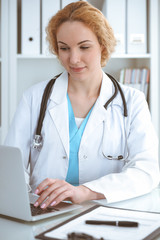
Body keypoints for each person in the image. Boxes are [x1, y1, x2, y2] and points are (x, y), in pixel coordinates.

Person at [4, 1, 159, 209]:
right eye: (64, 48)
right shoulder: (34, 98)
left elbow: (147, 170)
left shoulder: (133, 101)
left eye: (84, 47)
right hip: (44, 211)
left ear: (102, 45)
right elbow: (9, 170)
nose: (74, 59)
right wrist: (24, 203)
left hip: (106, 213)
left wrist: (84, 192)